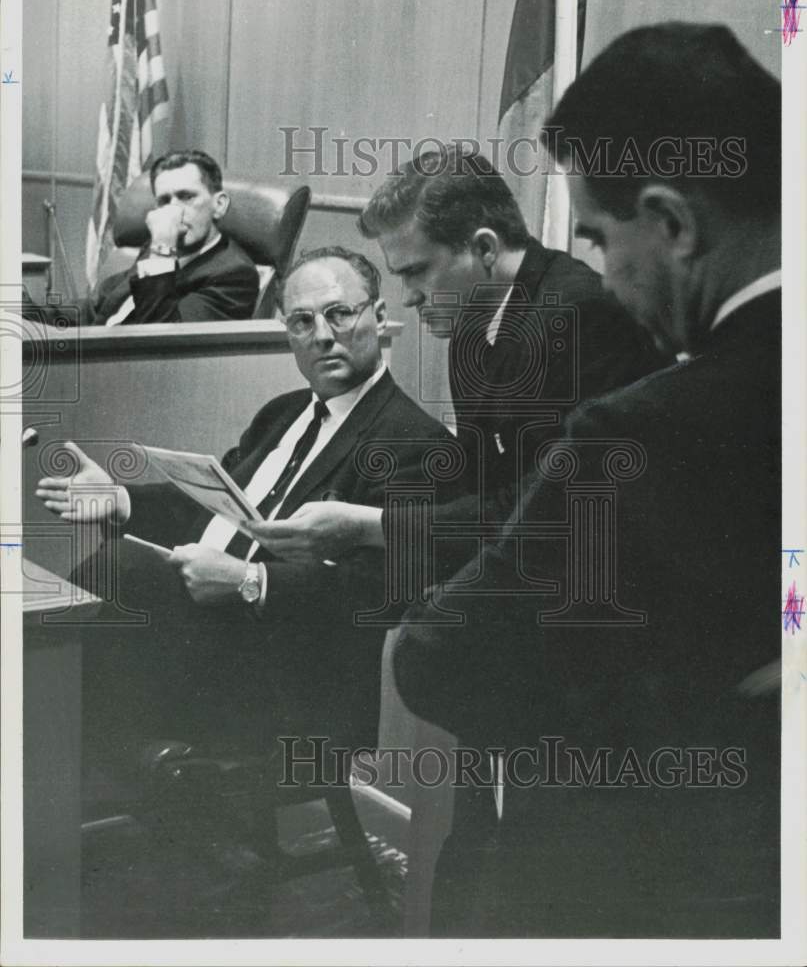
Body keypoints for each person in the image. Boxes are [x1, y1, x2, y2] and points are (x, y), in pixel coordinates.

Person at [393, 23, 782, 937]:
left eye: (602, 239)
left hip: (676, 879)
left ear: (673, 223)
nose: (605, 275)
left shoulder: (640, 429)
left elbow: (441, 657)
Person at [36, 246, 457, 787]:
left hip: (293, 681)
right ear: (288, 335)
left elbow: (383, 594)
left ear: (378, 317)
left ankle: (48, 777)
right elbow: (215, 511)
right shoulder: (281, 413)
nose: (323, 335)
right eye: (303, 321)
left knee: (115, 581)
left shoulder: (415, 442)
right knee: (80, 610)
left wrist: (250, 582)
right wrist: (123, 500)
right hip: (209, 644)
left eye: (339, 313)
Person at [246, 144, 665, 574]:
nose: (408, 297)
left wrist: (371, 526)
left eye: (416, 271)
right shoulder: (470, 324)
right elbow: (480, 491)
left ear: (484, 248)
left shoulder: (578, 318)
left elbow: (550, 514)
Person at [39, 149, 258, 326]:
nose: (174, 211)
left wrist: (163, 248)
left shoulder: (234, 274)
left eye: (186, 197)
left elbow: (159, 340)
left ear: (218, 205)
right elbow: (98, 310)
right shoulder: (153, 249)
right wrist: (27, 315)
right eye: (164, 200)